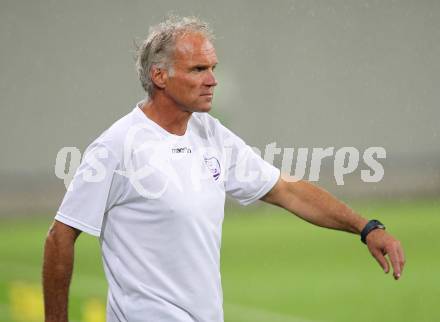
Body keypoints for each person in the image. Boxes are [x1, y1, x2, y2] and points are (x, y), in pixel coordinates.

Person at [43, 16, 405, 322]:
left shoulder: (210, 133)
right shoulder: (117, 147)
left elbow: (287, 190)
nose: (212, 79)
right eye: (198, 69)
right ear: (159, 76)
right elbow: (60, 238)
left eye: (212, 68)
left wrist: (366, 227)